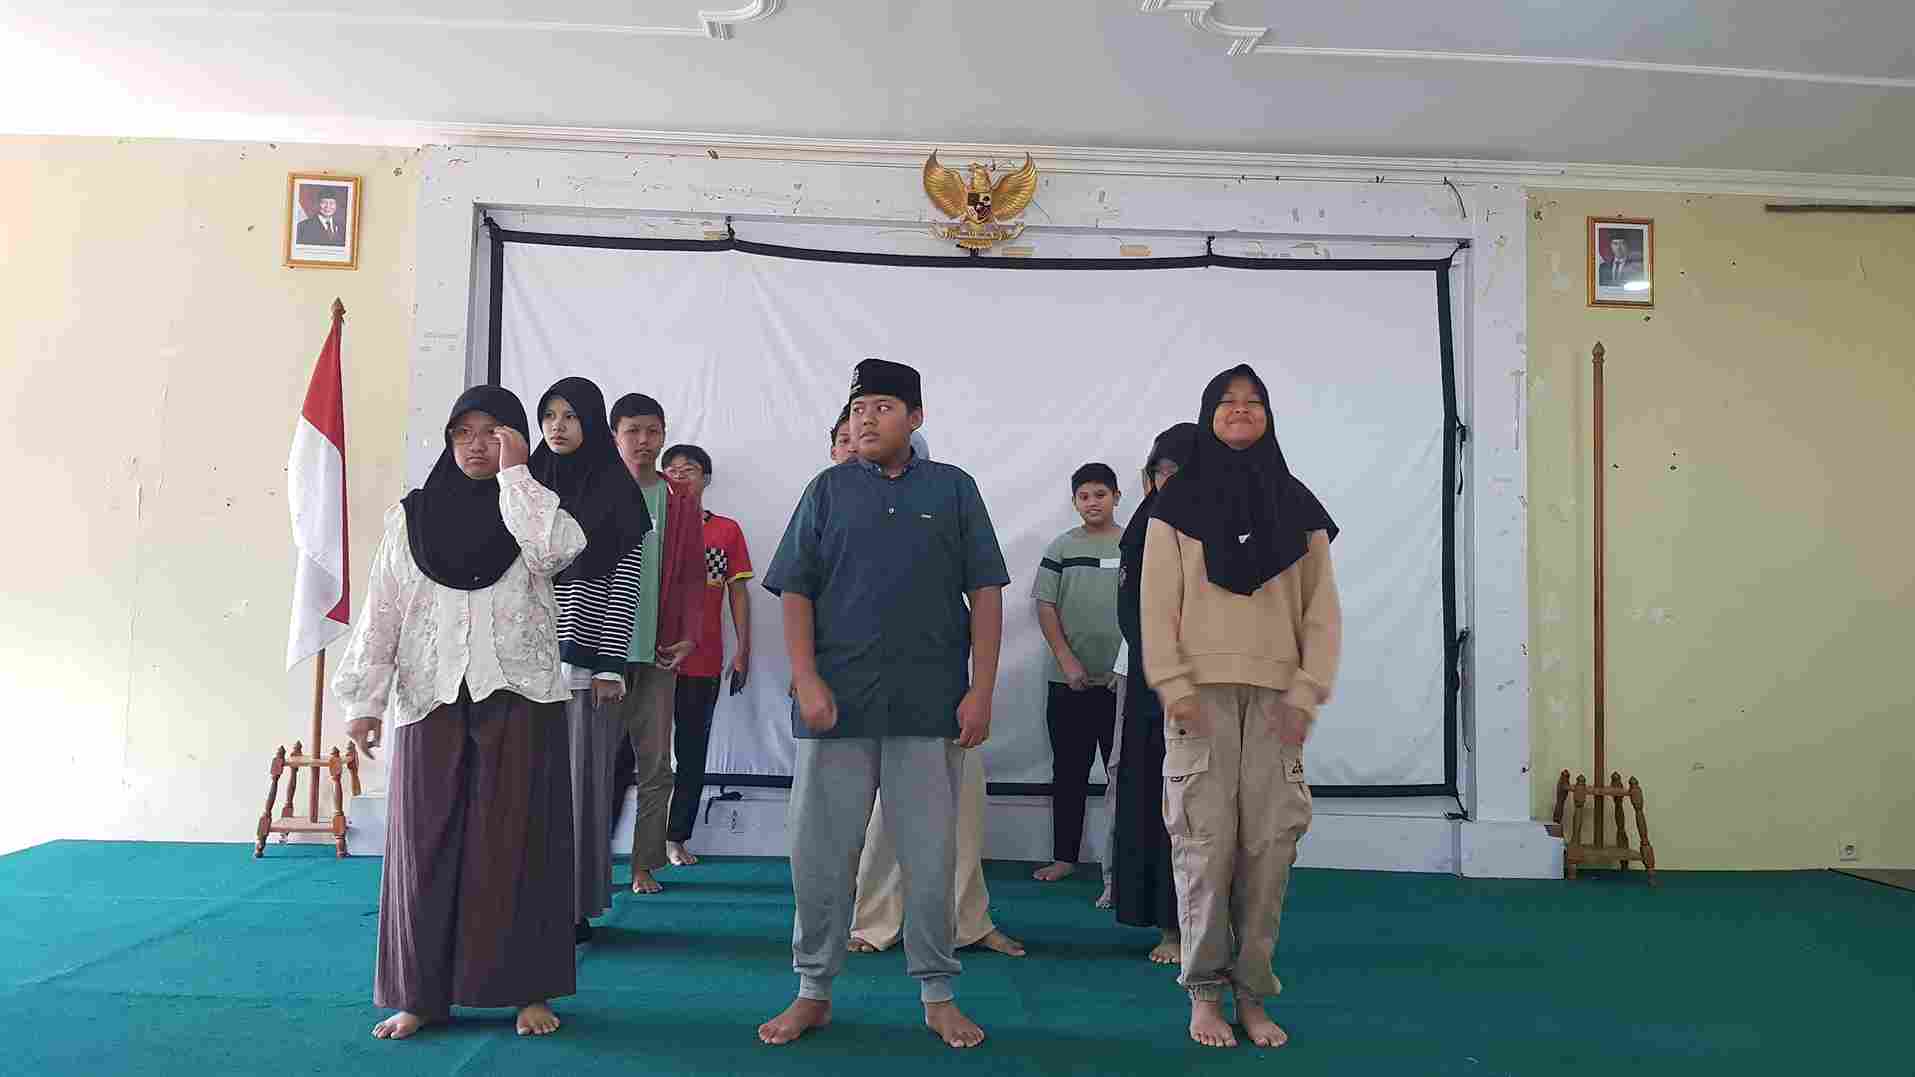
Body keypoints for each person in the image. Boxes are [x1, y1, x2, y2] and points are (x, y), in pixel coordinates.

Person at [759, 358, 1008, 1050]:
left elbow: (986, 592)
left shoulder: (953, 489)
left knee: (930, 857)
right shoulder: (827, 490)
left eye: (883, 406)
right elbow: (795, 591)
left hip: (930, 705)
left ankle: (937, 993)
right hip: (835, 707)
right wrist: (806, 678)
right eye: (858, 407)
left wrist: (982, 689)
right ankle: (813, 989)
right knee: (819, 856)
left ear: (916, 417)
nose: (867, 418)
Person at [333, 385, 583, 1041]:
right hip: (430, 695)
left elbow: (556, 552)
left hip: (520, 695)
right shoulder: (413, 516)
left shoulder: (532, 505)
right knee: (424, 847)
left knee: (519, 844)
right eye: (463, 432)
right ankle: (419, 995)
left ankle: (527, 990)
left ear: (515, 438)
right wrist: (365, 700)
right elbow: (384, 606)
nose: (476, 444)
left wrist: (517, 476)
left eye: (493, 431)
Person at [1143, 364, 1341, 1050]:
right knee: (1203, 849)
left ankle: (1252, 992)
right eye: (1226, 401)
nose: (1240, 410)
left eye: (1254, 401)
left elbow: (1321, 613)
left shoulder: (1299, 506)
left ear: (1269, 416)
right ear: (1207, 415)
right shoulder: (1173, 507)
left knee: (1268, 852)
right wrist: (1174, 687)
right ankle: (1203, 993)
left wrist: (1306, 693)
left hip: (1277, 701)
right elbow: (1156, 606)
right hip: (1198, 698)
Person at [834, 423, 1023, 960]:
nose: (856, 444)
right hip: (857, 692)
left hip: (941, 688)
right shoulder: (827, 508)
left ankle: (966, 922)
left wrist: (979, 691)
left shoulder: (945, 497)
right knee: (877, 819)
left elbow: (984, 590)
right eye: (843, 439)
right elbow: (803, 601)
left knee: (960, 812)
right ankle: (874, 921)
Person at [532, 378, 652, 944]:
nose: (557, 427)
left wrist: (609, 665)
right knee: (528, 790)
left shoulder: (616, 492)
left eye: (570, 416)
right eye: (549, 416)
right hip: (521, 667)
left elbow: (625, 584)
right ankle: (524, 902)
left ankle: (571, 906)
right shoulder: (527, 484)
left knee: (579, 789)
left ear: (592, 422)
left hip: (583, 669)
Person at [607, 393, 706, 894]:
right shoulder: (596, 490)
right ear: (615, 437)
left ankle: (643, 865)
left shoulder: (678, 498)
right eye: (633, 431)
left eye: (652, 431)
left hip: (657, 653)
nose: (643, 441)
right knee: (594, 769)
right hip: (599, 657)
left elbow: (691, 573)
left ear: (664, 434)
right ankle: (585, 866)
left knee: (656, 767)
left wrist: (688, 635)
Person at [1109, 423, 1199, 963]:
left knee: (1207, 806)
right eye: (1161, 472)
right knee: (1156, 798)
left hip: (1215, 683)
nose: (1170, 481)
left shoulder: (1223, 521)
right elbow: (1133, 614)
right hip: (1156, 684)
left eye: (1180, 471)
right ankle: (1169, 924)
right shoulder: (1143, 528)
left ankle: (1209, 922)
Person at [659, 443, 753, 865]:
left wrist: (743, 649)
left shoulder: (726, 531)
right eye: (672, 469)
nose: (680, 476)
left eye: (690, 469)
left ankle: (676, 837)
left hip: (703, 660)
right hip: (650, 660)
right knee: (635, 753)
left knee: (692, 752)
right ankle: (629, 840)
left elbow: (738, 593)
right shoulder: (647, 525)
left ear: (706, 479)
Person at [1031, 463, 1125, 882]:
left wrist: (1127, 667)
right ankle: (1064, 858)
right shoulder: (1062, 548)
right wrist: (1067, 660)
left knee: (1126, 778)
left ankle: (1124, 863)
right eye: (1084, 496)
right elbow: (1045, 605)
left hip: (1123, 684)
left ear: (1116, 497)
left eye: (1100, 494)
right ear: (1074, 502)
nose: (1092, 503)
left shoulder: (1135, 545)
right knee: (1068, 774)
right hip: (1068, 683)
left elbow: (1149, 607)